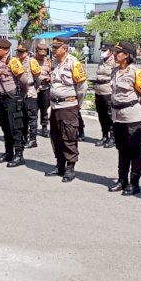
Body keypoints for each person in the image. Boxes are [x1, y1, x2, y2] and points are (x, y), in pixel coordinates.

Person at [108, 41, 141, 195]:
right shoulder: (115, 71)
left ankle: (134, 183)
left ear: (126, 55)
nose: (113, 55)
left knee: (134, 150)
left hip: (132, 115)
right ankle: (122, 180)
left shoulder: (136, 72)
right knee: (122, 150)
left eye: (117, 52)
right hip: (118, 116)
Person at [45, 37, 87, 183]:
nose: (54, 50)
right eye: (53, 47)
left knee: (68, 136)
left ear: (65, 48)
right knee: (55, 136)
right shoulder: (54, 63)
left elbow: (81, 87)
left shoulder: (73, 63)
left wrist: (77, 104)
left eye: (57, 48)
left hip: (68, 106)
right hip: (55, 106)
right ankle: (59, 165)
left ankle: (70, 167)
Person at [0, 38, 29, 167]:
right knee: (5, 126)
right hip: (1, 99)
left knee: (15, 127)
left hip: (12, 99)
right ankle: (8, 152)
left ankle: (19, 155)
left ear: (6, 50)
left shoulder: (13, 62)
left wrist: (22, 95)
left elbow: (24, 80)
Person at [17, 42, 41, 149]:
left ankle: (33, 139)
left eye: (22, 52)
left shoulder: (32, 61)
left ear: (27, 52)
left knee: (32, 117)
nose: (20, 54)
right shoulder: (16, 62)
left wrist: (36, 88)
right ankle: (24, 137)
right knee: (22, 116)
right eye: (18, 51)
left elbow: (38, 77)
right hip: (20, 93)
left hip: (30, 91)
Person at [94, 43, 116, 148]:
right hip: (98, 91)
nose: (103, 52)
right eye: (102, 50)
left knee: (109, 115)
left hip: (108, 91)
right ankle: (104, 135)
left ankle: (112, 137)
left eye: (105, 50)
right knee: (101, 115)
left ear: (111, 51)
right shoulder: (102, 61)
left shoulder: (114, 62)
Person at [34, 41, 52, 137]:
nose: (42, 56)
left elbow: (52, 73)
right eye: (40, 54)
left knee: (45, 109)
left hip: (46, 88)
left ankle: (44, 128)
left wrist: (50, 77)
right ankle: (33, 128)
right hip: (34, 88)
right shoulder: (32, 61)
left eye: (43, 55)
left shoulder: (48, 61)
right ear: (36, 51)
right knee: (34, 110)